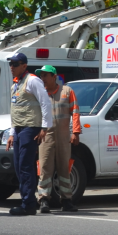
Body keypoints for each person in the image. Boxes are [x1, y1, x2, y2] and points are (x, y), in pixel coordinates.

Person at [4, 52, 53, 216]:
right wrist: (11, 133)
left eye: (15, 64)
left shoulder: (32, 80)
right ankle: (27, 200)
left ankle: (29, 204)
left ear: (24, 65)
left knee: (25, 166)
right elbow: (15, 110)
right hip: (18, 129)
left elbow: (45, 103)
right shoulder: (16, 84)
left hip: (30, 128)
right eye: (10, 64)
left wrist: (44, 127)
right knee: (19, 167)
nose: (12, 67)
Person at [35, 66, 81, 213]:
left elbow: (75, 111)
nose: (42, 79)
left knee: (64, 168)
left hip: (63, 136)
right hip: (45, 136)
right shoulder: (39, 94)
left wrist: (76, 132)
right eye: (41, 76)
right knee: (44, 168)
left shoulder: (67, 92)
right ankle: (43, 200)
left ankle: (67, 200)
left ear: (54, 76)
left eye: (45, 75)